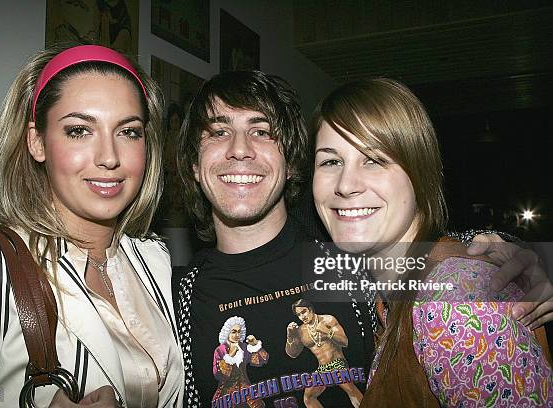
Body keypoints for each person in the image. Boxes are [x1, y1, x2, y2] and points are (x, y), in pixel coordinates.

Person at [172, 70, 551, 408]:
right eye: (218, 131)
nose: (240, 149)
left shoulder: (341, 262)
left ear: (291, 163)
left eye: (261, 131)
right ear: (192, 164)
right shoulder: (175, 303)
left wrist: (500, 253)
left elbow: (427, 262)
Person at [0, 44, 183, 407]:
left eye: (128, 131)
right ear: (37, 142)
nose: (109, 157)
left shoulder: (156, 261)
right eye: (79, 130)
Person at [310, 78, 553, 406]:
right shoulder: (393, 288)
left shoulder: (452, 306)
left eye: (373, 159)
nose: (345, 184)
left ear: (419, 172)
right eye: (331, 161)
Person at [286, 299, 362, 407]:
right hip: (323, 369)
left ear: (311, 309)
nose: (302, 316)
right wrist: (290, 337)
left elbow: (345, 342)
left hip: (338, 363)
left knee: (349, 388)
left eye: (304, 312)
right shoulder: (301, 331)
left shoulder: (328, 320)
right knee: (308, 397)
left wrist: (327, 332)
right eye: (299, 315)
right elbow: (292, 354)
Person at [212, 316, 269, 408]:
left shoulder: (243, 347)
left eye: (239, 332)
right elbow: (217, 374)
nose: (237, 335)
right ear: (227, 332)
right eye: (234, 332)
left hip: (245, 388)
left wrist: (255, 345)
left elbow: (261, 360)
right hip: (227, 390)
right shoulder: (220, 350)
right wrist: (229, 356)